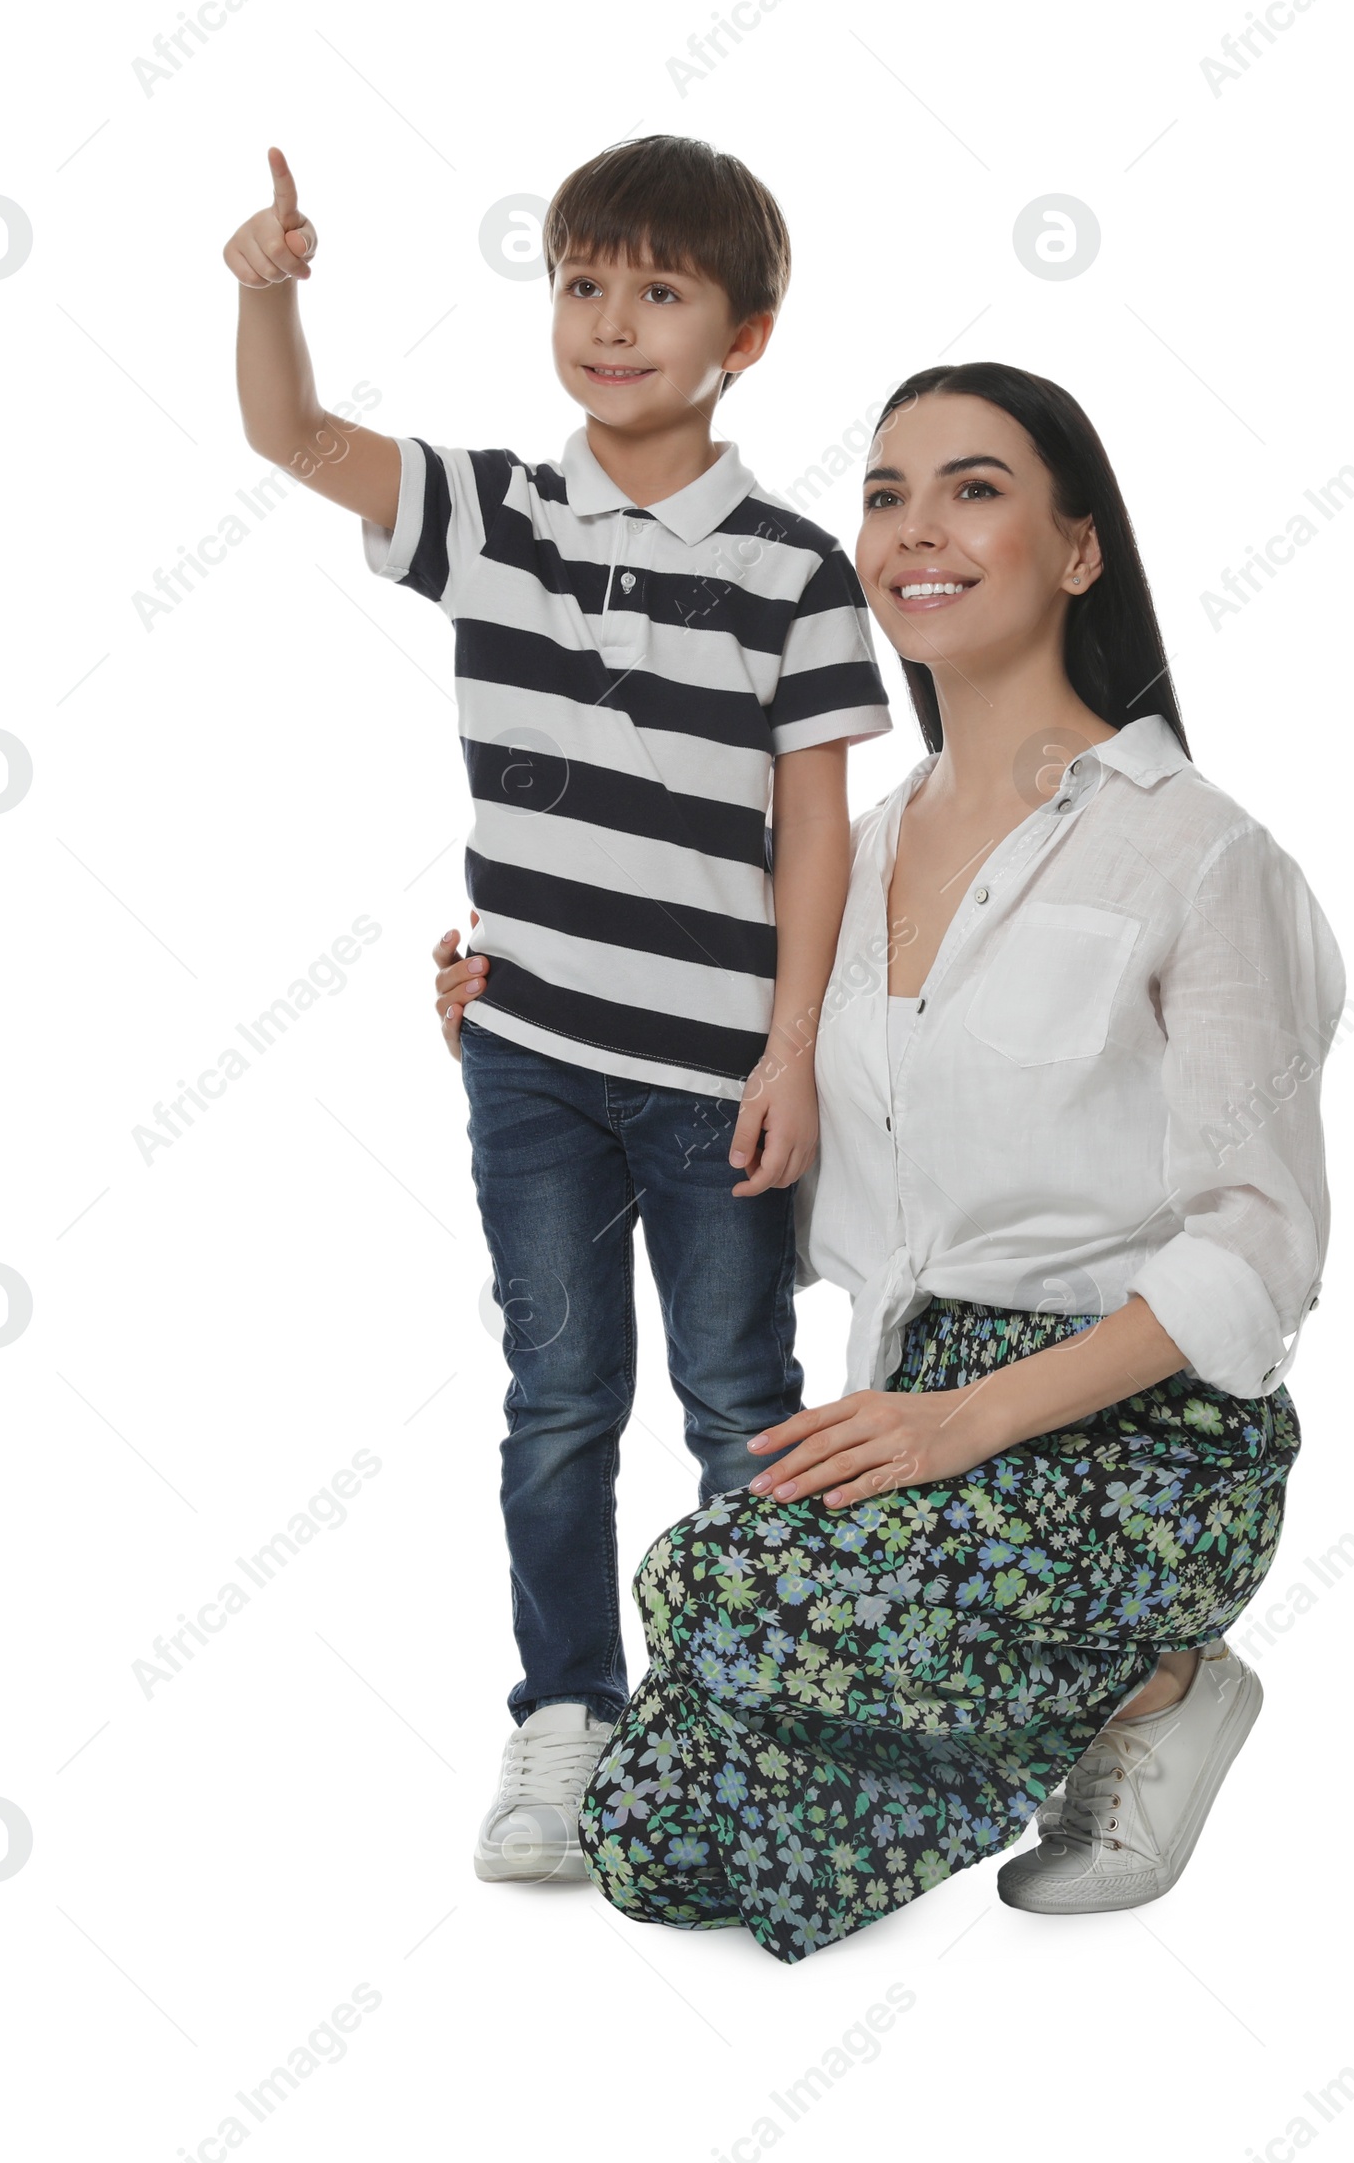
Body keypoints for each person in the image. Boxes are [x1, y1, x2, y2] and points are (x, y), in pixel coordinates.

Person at [565, 361, 1347, 1963]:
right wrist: (508, 1016)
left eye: (975, 488)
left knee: (732, 1599)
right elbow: (751, 1096)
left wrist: (963, 1423)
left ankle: (1165, 1682)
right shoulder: (843, 855)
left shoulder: (1198, 852)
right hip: (911, 1395)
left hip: (1145, 1432)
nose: (916, 530)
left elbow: (1262, 1241)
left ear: (1078, 551)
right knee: (646, 1846)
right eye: (885, 491)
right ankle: (1035, 1698)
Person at [222, 133, 892, 1884]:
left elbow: (813, 837)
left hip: (714, 1078)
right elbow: (290, 439)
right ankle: (566, 1720)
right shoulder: (495, 513)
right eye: (583, 283)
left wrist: (792, 1053)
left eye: (658, 291)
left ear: (745, 330)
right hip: (528, 1059)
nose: (611, 322)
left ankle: (757, 1723)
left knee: (745, 1408)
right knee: (559, 1397)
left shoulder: (794, 571)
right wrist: (262, 291)